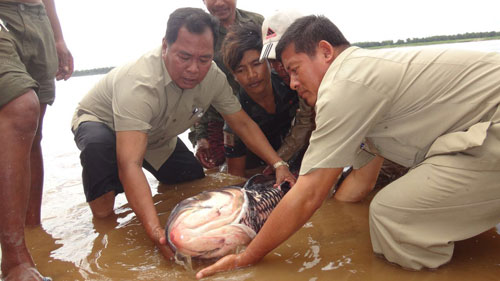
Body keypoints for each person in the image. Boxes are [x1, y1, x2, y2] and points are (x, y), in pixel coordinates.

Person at [196, 14, 500, 278]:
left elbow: (309, 194)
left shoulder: (343, 85)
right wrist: (334, 218)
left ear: (325, 52)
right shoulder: (359, 75)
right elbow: (361, 180)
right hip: (479, 128)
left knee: (392, 214)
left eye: (294, 69)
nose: (291, 83)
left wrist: (247, 258)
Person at [71, 7, 294, 261]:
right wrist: (154, 230)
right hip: (104, 126)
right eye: (184, 57)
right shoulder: (139, 83)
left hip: (156, 137)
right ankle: (107, 231)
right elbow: (129, 163)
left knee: (191, 180)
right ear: (165, 45)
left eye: (204, 59)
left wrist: (278, 163)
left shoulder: (213, 77)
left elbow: (242, 123)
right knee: (102, 190)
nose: (193, 69)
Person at [0, 0, 73, 280]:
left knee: (32, 134)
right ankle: (14, 262)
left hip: (37, 15)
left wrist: (57, 35)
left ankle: (34, 234)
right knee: (21, 108)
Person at [220, 22, 305, 177]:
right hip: (259, 172)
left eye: (256, 64)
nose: (251, 75)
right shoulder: (234, 120)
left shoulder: (290, 85)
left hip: (295, 158)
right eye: (241, 70)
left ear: (268, 62)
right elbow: (235, 177)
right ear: (233, 76)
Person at [193, 0, 264, 169]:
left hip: (263, 115)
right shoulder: (198, 34)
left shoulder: (257, 23)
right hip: (219, 119)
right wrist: (199, 137)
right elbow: (194, 89)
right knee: (222, 175)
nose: (219, 3)